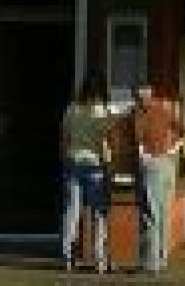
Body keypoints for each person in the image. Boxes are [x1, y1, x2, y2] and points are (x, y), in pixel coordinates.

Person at [130, 83, 185, 275]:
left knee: (150, 215)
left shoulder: (139, 113)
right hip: (168, 166)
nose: (138, 101)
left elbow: (138, 141)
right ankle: (161, 260)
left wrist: (144, 156)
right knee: (163, 215)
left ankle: (150, 264)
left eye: (138, 98)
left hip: (152, 165)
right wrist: (173, 150)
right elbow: (184, 129)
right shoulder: (164, 110)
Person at [59, 74, 112, 273]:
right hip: (95, 165)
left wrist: (65, 160)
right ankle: (100, 260)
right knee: (99, 213)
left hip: (73, 163)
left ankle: (68, 258)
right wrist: (108, 167)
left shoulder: (71, 109)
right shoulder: (103, 112)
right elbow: (105, 142)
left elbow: (64, 138)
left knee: (71, 212)